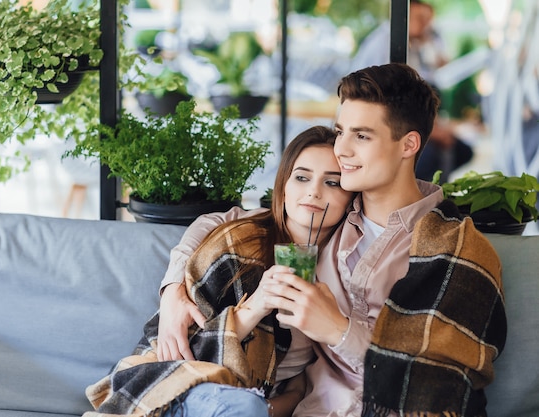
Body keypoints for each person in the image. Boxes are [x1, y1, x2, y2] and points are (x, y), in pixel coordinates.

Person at [157, 63, 506, 416]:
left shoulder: (455, 248)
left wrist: (338, 330)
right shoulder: (329, 215)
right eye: (341, 132)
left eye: (362, 136)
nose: (342, 149)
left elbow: (441, 384)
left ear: (408, 144)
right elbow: (224, 220)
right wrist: (173, 290)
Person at [82, 126, 355, 417]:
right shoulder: (238, 242)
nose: (314, 191)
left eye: (333, 183)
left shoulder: (345, 269)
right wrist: (254, 304)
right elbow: (187, 349)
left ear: (351, 197)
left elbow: (299, 387)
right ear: (284, 186)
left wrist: (275, 404)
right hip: (182, 384)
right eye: (302, 177)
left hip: (248, 401)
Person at [351, 0, 473, 183]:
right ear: (404, 16)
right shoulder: (388, 45)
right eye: (421, 18)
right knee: (433, 154)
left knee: (461, 150)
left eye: (428, 20)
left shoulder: (413, 46)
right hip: (379, 126)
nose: (427, 26)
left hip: (400, 123)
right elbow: (388, 104)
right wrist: (432, 132)